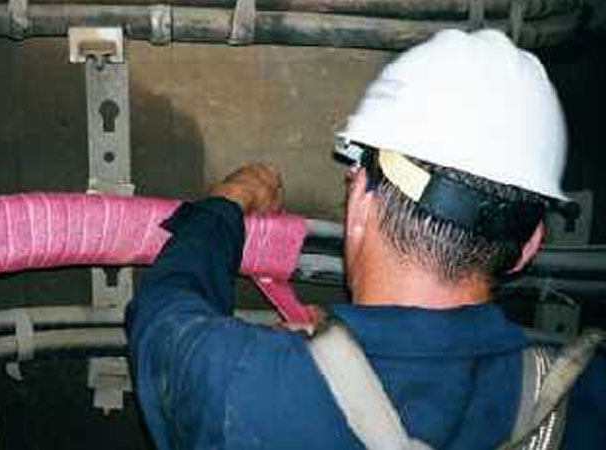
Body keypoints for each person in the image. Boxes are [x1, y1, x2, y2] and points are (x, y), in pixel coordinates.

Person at [125, 29, 606, 449]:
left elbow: (164, 308)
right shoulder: (589, 400)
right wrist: (334, 352)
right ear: (528, 245)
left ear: (359, 202)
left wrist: (225, 205)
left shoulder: (236, 384)